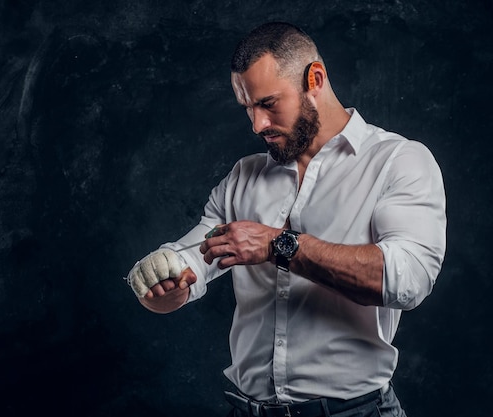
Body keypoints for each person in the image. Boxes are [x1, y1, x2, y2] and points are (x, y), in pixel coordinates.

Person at [126, 22, 446, 417]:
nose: (257, 125)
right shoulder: (244, 176)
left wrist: (280, 246)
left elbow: (408, 280)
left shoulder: (398, 161)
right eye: (248, 109)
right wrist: (165, 279)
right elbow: (194, 255)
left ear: (315, 78)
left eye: (268, 104)